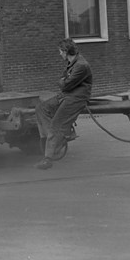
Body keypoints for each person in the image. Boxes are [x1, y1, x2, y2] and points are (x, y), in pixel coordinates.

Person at [35, 38, 92, 170]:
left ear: (66, 51)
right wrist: (63, 81)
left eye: (60, 51)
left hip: (76, 98)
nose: (59, 54)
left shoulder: (81, 65)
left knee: (56, 124)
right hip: (67, 95)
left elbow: (65, 84)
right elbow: (64, 83)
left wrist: (63, 81)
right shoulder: (72, 63)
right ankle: (54, 138)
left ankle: (48, 158)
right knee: (41, 108)